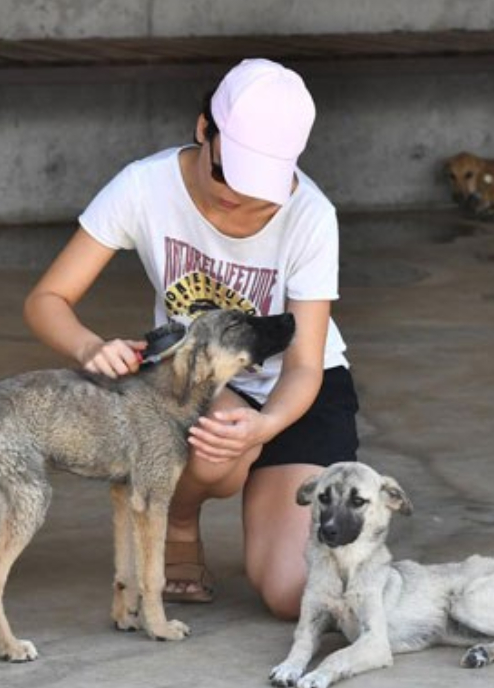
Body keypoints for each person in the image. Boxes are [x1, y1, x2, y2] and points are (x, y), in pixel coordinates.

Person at [23, 59, 359, 619]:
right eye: (229, 177)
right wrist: (88, 347)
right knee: (218, 438)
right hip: (199, 380)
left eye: (261, 192)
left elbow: (304, 363)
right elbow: (46, 300)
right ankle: (179, 522)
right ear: (205, 129)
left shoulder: (311, 215)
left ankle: (258, 473)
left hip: (299, 395)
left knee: (293, 596)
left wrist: (269, 423)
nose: (240, 201)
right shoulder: (144, 185)